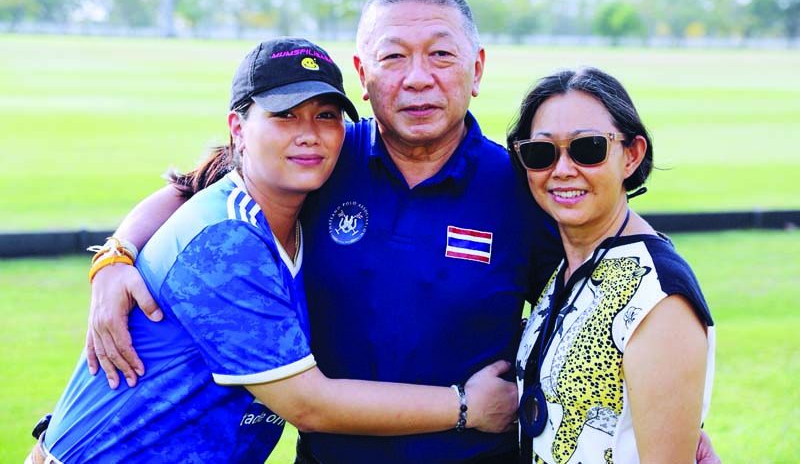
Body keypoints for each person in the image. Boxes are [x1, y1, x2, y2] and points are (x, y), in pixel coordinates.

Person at [82, 0, 720, 463]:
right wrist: (115, 256)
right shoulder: (322, 157)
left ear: (477, 69)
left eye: (441, 55)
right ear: (362, 76)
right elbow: (192, 191)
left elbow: (609, 273)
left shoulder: (522, 182)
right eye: (393, 58)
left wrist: (679, 421)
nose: (418, 79)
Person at [28, 37, 519, 464]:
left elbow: (187, 186)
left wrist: (117, 252)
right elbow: (306, 403)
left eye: (325, 116)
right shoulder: (227, 241)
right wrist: (467, 407)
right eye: (284, 115)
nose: (308, 134)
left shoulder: (305, 194)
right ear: (238, 128)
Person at [507, 67, 715, 463]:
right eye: (541, 152)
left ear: (631, 155)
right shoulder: (572, 267)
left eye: (588, 148)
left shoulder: (660, 297)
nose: (562, 169)